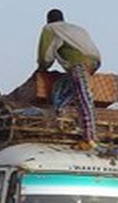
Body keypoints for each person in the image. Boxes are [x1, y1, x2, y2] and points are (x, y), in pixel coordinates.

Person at [36, 8, 101, 149]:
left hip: (78, 63)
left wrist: (41, 69)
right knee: (60, 90)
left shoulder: (50, 28)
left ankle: (89, 138)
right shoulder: (77, 29)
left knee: (84, 98)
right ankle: (60, 116)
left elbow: (46, 55)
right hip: (94, 62)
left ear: (48, 19)